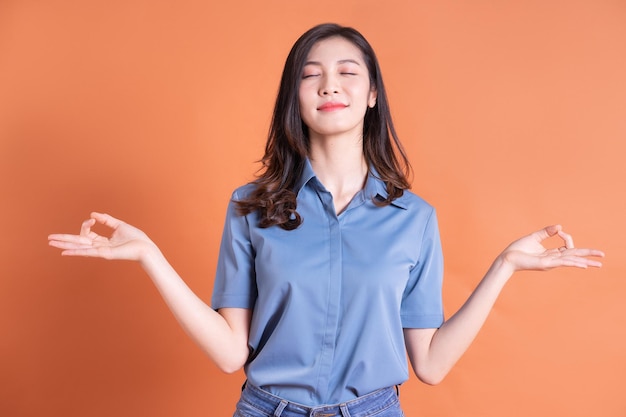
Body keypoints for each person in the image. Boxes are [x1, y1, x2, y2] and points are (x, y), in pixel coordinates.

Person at [48, 23, 604, 417]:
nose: (329, 84)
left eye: (346, 72)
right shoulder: (251, 207)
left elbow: (430, 364)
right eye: (311, 74)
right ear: (296, 97)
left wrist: (504, 266)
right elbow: (228, 354)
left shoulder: (414, 219)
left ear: (371, 96)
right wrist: (151, 256)